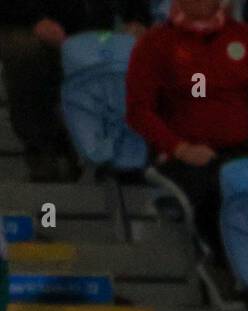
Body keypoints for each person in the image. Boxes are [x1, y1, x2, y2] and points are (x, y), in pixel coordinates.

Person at [126, 0, 248, 258]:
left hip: (243, 150)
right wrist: (179, 148)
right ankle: (226, 266)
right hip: (186, 157)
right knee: (221, 192)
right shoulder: (155, 43)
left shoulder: (246, 37)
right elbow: (138, 111)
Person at [0, 1, 151, 181]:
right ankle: (45, 150)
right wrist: (35, 20)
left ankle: (122, 153)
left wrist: (136, 19)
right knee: (24, 51)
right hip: (29, 24)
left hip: (92, 26)